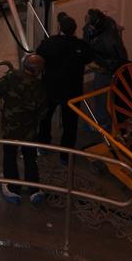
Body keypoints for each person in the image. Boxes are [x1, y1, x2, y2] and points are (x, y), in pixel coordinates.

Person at [0, 53, 47, 205]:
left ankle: (12, 189)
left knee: (10, 156)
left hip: (10, 128)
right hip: (30, 129)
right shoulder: (39, 86)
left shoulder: (12, 77)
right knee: (30, 157)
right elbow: (44, 111)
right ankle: (34, 190)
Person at [36, 13, 91, 156]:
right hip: (73, 90)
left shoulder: (50, 43)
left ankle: (43, 145)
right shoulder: (81, 46)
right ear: (75, 30)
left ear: (59, 28)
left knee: (45, 118)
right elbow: (89, 57)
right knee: (70, 123)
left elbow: (39, 54)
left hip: (51, 89)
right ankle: (66, 155)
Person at [82, 8, 128, 131]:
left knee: (101, 94)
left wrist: (100, 66)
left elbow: (114, 58)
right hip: (111, 65)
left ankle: (102, 122)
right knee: (109, 94)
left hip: (107, 69)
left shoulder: (105, 42)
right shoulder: (109, 22)